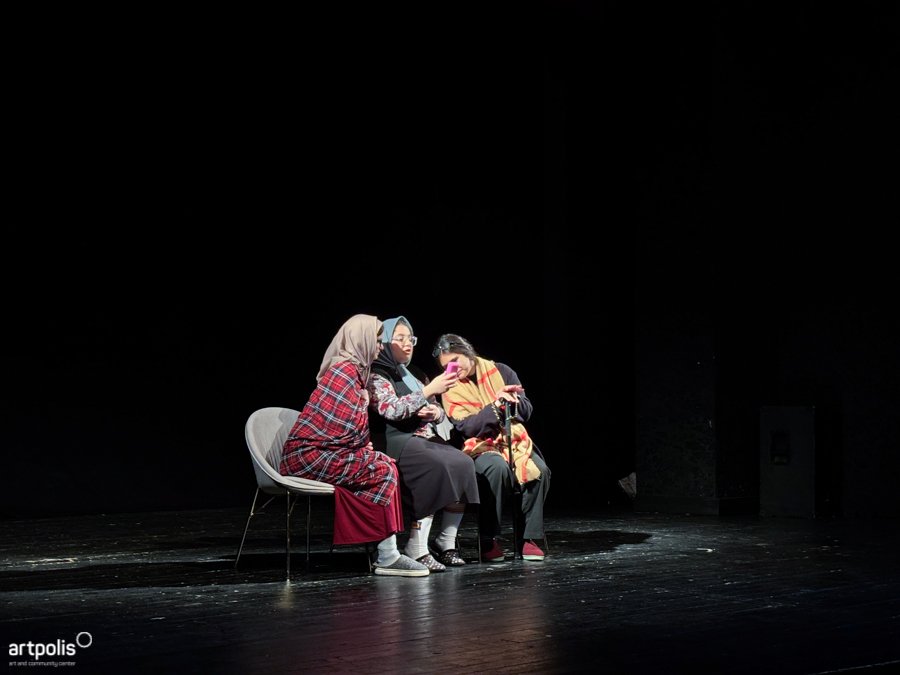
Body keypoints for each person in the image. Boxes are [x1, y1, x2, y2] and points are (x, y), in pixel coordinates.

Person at [279, 314, 429, 577]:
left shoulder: (355, 372)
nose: (380, 346)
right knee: (383, 471)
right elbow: (340, 427)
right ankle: (387, 556)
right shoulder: (343, 373)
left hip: (326, 451)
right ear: (361, 340)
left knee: (384, 463)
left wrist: (361, 444)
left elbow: (346, 427)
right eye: (376, 340)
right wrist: (360, 444)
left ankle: (384, 551)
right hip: (309, 456)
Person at [368, 316, 480, 570]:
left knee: (463, 463)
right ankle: (416, 547)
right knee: (436, 465)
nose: (408, 344)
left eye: (411, 339)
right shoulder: (376, 375)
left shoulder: (414, 374)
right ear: (384, 342)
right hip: (394, 439)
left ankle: (445, 541)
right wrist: (428, 391)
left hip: (422, 438)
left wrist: (435, 412)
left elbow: (438, 410)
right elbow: (391, 409)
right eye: (400, 339)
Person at [433, 333, 550, 562]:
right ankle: (488, 538)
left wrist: (510, 402)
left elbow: (526, 410)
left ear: (468, 353)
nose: (452, 369)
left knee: (540, 470)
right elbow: (468, 427)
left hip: (512, 439)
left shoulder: (502, 371)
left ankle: (528, 537)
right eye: (446, 367)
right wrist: (495, 405)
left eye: (455, 361)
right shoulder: (449, 386)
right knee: (496, 468)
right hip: (477, 444)